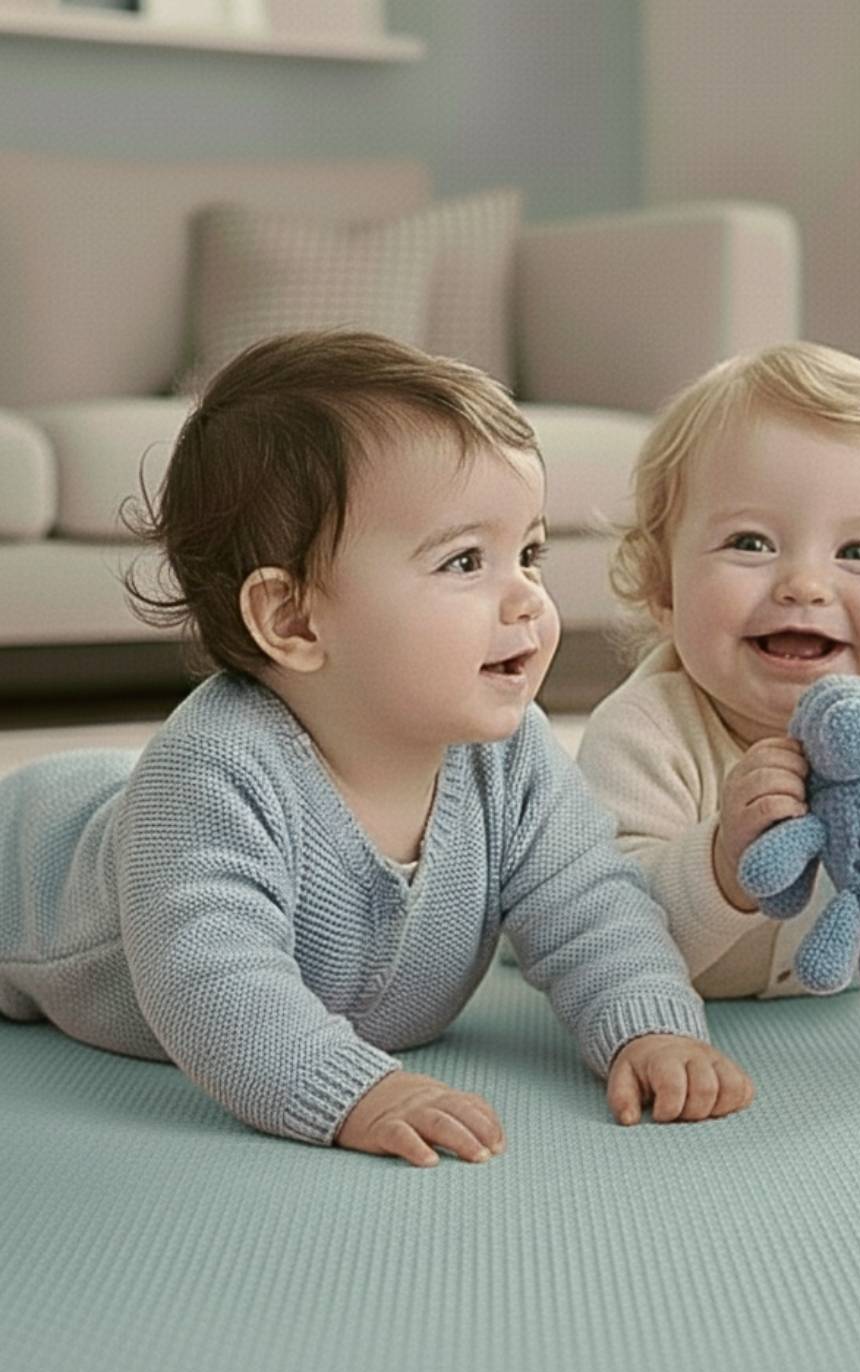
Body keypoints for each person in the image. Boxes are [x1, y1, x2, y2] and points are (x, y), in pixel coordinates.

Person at [0, 330, 752, 1164]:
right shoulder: (208, 778)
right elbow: (214, 982)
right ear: (294, 620)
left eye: (529, 554)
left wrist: (647, 1023)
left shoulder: (509, 757)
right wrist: (350, 1087)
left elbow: (591, 903)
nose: (528, 601)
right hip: (29, 865)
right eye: (466, 561)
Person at [577, 341, 860, 999]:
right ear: (664, 589)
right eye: (750, 542)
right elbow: (602, 936)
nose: (805, 584)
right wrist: (722, 865)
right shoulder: (645, 729)